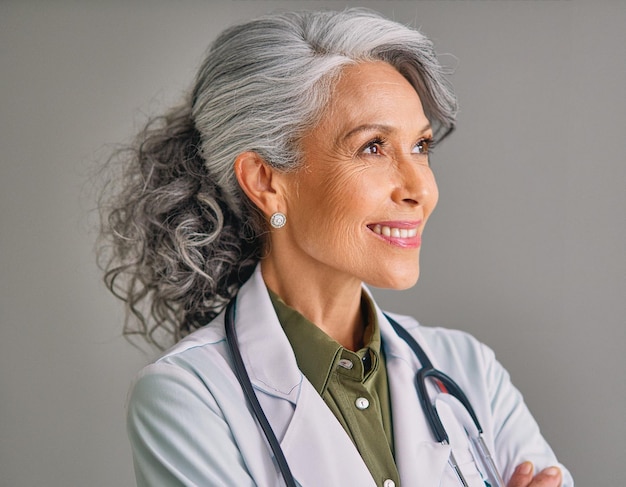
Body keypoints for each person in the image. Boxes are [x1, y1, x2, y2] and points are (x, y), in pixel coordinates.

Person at [98, 9, 573, 487]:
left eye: (420, 147)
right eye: (373, 147)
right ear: (265, 181)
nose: (420, 189)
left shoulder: (469, 370)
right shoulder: (188, 396)